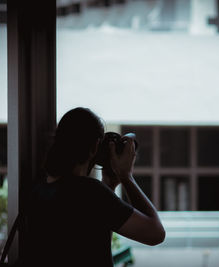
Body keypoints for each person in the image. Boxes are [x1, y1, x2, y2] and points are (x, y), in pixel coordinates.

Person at [27, 107, 165, 266]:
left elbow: (94, 237)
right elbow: (155, 234)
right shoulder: (89, 192)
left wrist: (109, 185)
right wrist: (126, 177)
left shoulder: (41, 188)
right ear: (95, 147)